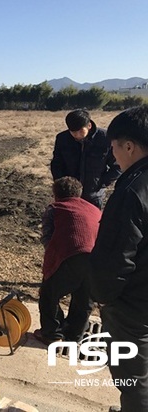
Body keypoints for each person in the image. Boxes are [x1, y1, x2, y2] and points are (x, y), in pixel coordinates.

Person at [89, 105, 148, 411]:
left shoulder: (132, 191)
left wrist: (103, 297)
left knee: (133, 376)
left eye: (113, 147)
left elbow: (115, 258)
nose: (113, 155)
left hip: (134, 305)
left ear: (129, 146)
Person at [33, 176, 101, 345]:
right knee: (84, 298)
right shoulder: (94, 209)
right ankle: (74, 334)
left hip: (71, 255)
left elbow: (48, 239)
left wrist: (52, 263)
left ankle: (52, 334)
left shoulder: (55, 208)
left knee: (49, 293)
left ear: (56, 194)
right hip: (96, 258)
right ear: (79, 193)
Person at [51, 109, 121, 209]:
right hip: (68, 196)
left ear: (89, 125)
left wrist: (101, 183)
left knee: (93, 223)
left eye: (80, 131)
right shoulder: (62, 139)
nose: (77, 135)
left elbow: (117, 166)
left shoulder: (105, 139)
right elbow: (56, 164)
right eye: (73, 132)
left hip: (93, 196)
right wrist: (61, 185)